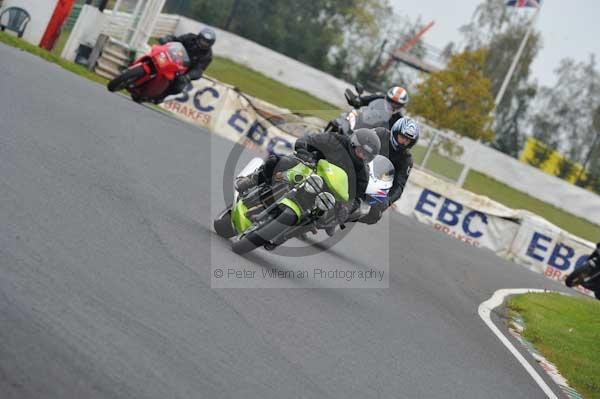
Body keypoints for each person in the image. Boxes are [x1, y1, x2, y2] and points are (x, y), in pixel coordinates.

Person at [234, 128, 381, 233]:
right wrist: (304, 152)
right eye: (360, 151)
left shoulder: (363, 172)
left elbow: (358, 197)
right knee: (279, 162)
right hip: (309, 168)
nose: (361, 155)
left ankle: (296, 229)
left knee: (321, 218)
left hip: (326, 193)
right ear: (353, 143)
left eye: (365, 155)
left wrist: (346, 208)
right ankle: (251, 180)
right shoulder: (335, 140)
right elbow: (307, 140)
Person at [359, 117, 419, 225]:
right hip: (359, 168)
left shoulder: (406, 160)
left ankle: (350, 216)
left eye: (408, 140)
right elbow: (359, 140)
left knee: (375, 214)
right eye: (402, 137)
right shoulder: (380, 133)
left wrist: (388, 200)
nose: (404, 141)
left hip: (376, 184)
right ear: (395, 132)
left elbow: (399, 186)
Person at [154, 27, 216, 103]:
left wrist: (188, 76)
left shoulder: (207, 55)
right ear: (199, 37)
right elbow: (175, 40)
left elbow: (199, 70)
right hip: (172, 58)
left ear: (210, 44)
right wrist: (166, 39)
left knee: (179, 87)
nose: (203, 43)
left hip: (183, 71)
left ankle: (161, 96)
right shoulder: (190, 37)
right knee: (156, 59)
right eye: (203, 40)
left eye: (206, 43)